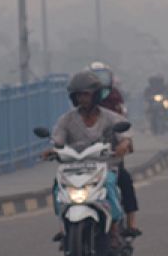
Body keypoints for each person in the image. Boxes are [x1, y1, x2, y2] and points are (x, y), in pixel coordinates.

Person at [45, 69, 133, 241]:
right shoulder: (67, 119)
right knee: (58, 186)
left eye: (86, 95)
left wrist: (123, 144)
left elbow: (125, 137)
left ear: (96, 95)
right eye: (78, 96)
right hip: (73, 168)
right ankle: (63, 226)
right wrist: (52, 150)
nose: (82, 99)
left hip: (104, 166)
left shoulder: (110, 117)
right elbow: (58, 140)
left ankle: (114, 228)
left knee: (110, 184)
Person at [89, 62, 141, 237]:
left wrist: (124, 144)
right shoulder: (73, 117)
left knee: (123, 180)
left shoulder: (113, 110)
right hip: (85, 159)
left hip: (110, 156)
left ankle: (131, 221)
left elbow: (124, 130)